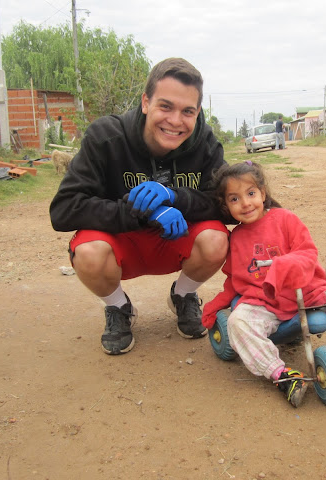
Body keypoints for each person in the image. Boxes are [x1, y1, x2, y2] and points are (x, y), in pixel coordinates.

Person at [49, 58, 230, 355]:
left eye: (187, 111)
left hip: (176, 238)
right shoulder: (105, 137)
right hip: (123, 243)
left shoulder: (205, 142)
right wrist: (143, 212)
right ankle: (119, 306)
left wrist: (174, 197)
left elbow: (226, 203)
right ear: (146, 102)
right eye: (165, 106)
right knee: (88, 252)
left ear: (198, 112)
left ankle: (183, 295)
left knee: (217, 239)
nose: (175, 121)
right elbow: (64, 209)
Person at [201, 161, 326, 407]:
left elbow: (307, 252)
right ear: (226, 205)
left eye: (251, 193)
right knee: (237, 322)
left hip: (307, 291)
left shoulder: (285, 219)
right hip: (266, 302)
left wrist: (283, 265)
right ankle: (281, 374)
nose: (245, 203)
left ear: (263, 193)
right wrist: (215, 306)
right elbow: (234, 280)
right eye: (235, 199)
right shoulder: (236, 238)